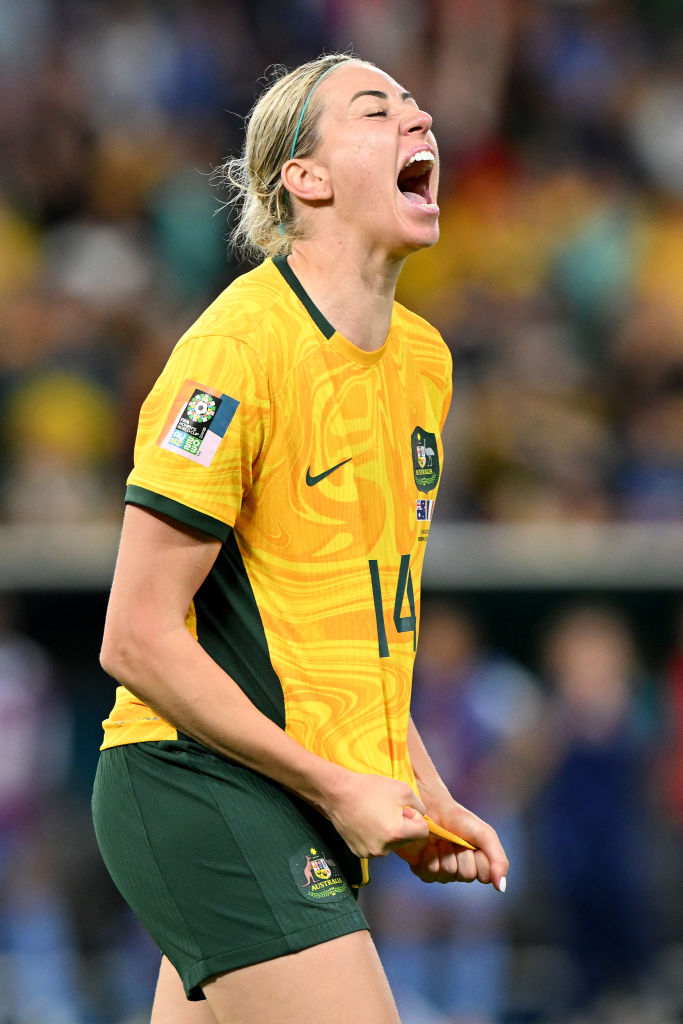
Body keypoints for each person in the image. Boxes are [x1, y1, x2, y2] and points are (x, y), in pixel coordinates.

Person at [91, 52, 508, 1024]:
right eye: (376, 111)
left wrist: (420, 786)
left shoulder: (423, 364)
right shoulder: (236, 353)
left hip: (292, 794)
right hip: (196, 778)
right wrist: (336, 783)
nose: (419, 121)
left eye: (416, 107)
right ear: (304, 178)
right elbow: (134, 637)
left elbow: (345, 628)